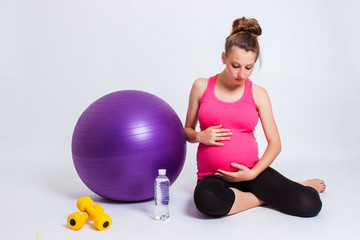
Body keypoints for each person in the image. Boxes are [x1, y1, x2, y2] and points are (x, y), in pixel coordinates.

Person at [184, 17, 326, 217]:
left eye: (248, 67)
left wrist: (251, 173)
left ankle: (279, 189)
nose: (241, 74)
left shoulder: (259, 93)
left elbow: (275, 143)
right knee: (207, 201)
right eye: (235, 65)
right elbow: (187, 131)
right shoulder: (201, 86)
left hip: (251, 172)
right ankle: (266, 196)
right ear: (223, 57)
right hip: (212, 176)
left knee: (310, 204)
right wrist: (200, 136)